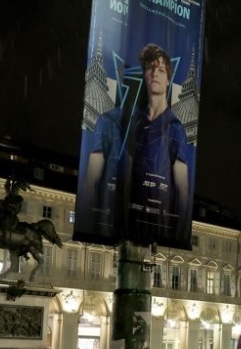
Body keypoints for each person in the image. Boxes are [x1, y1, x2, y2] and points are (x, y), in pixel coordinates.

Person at [81, 43, 193, 244]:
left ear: (168, 79)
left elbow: (183, 192)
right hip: (119, 220)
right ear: (144, 75)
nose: (155, 74)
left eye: (161, 70)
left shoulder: (176, 128)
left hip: (155, 223)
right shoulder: (127, 122)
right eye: (150, 68)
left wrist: (177, 235)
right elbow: (91, 182)